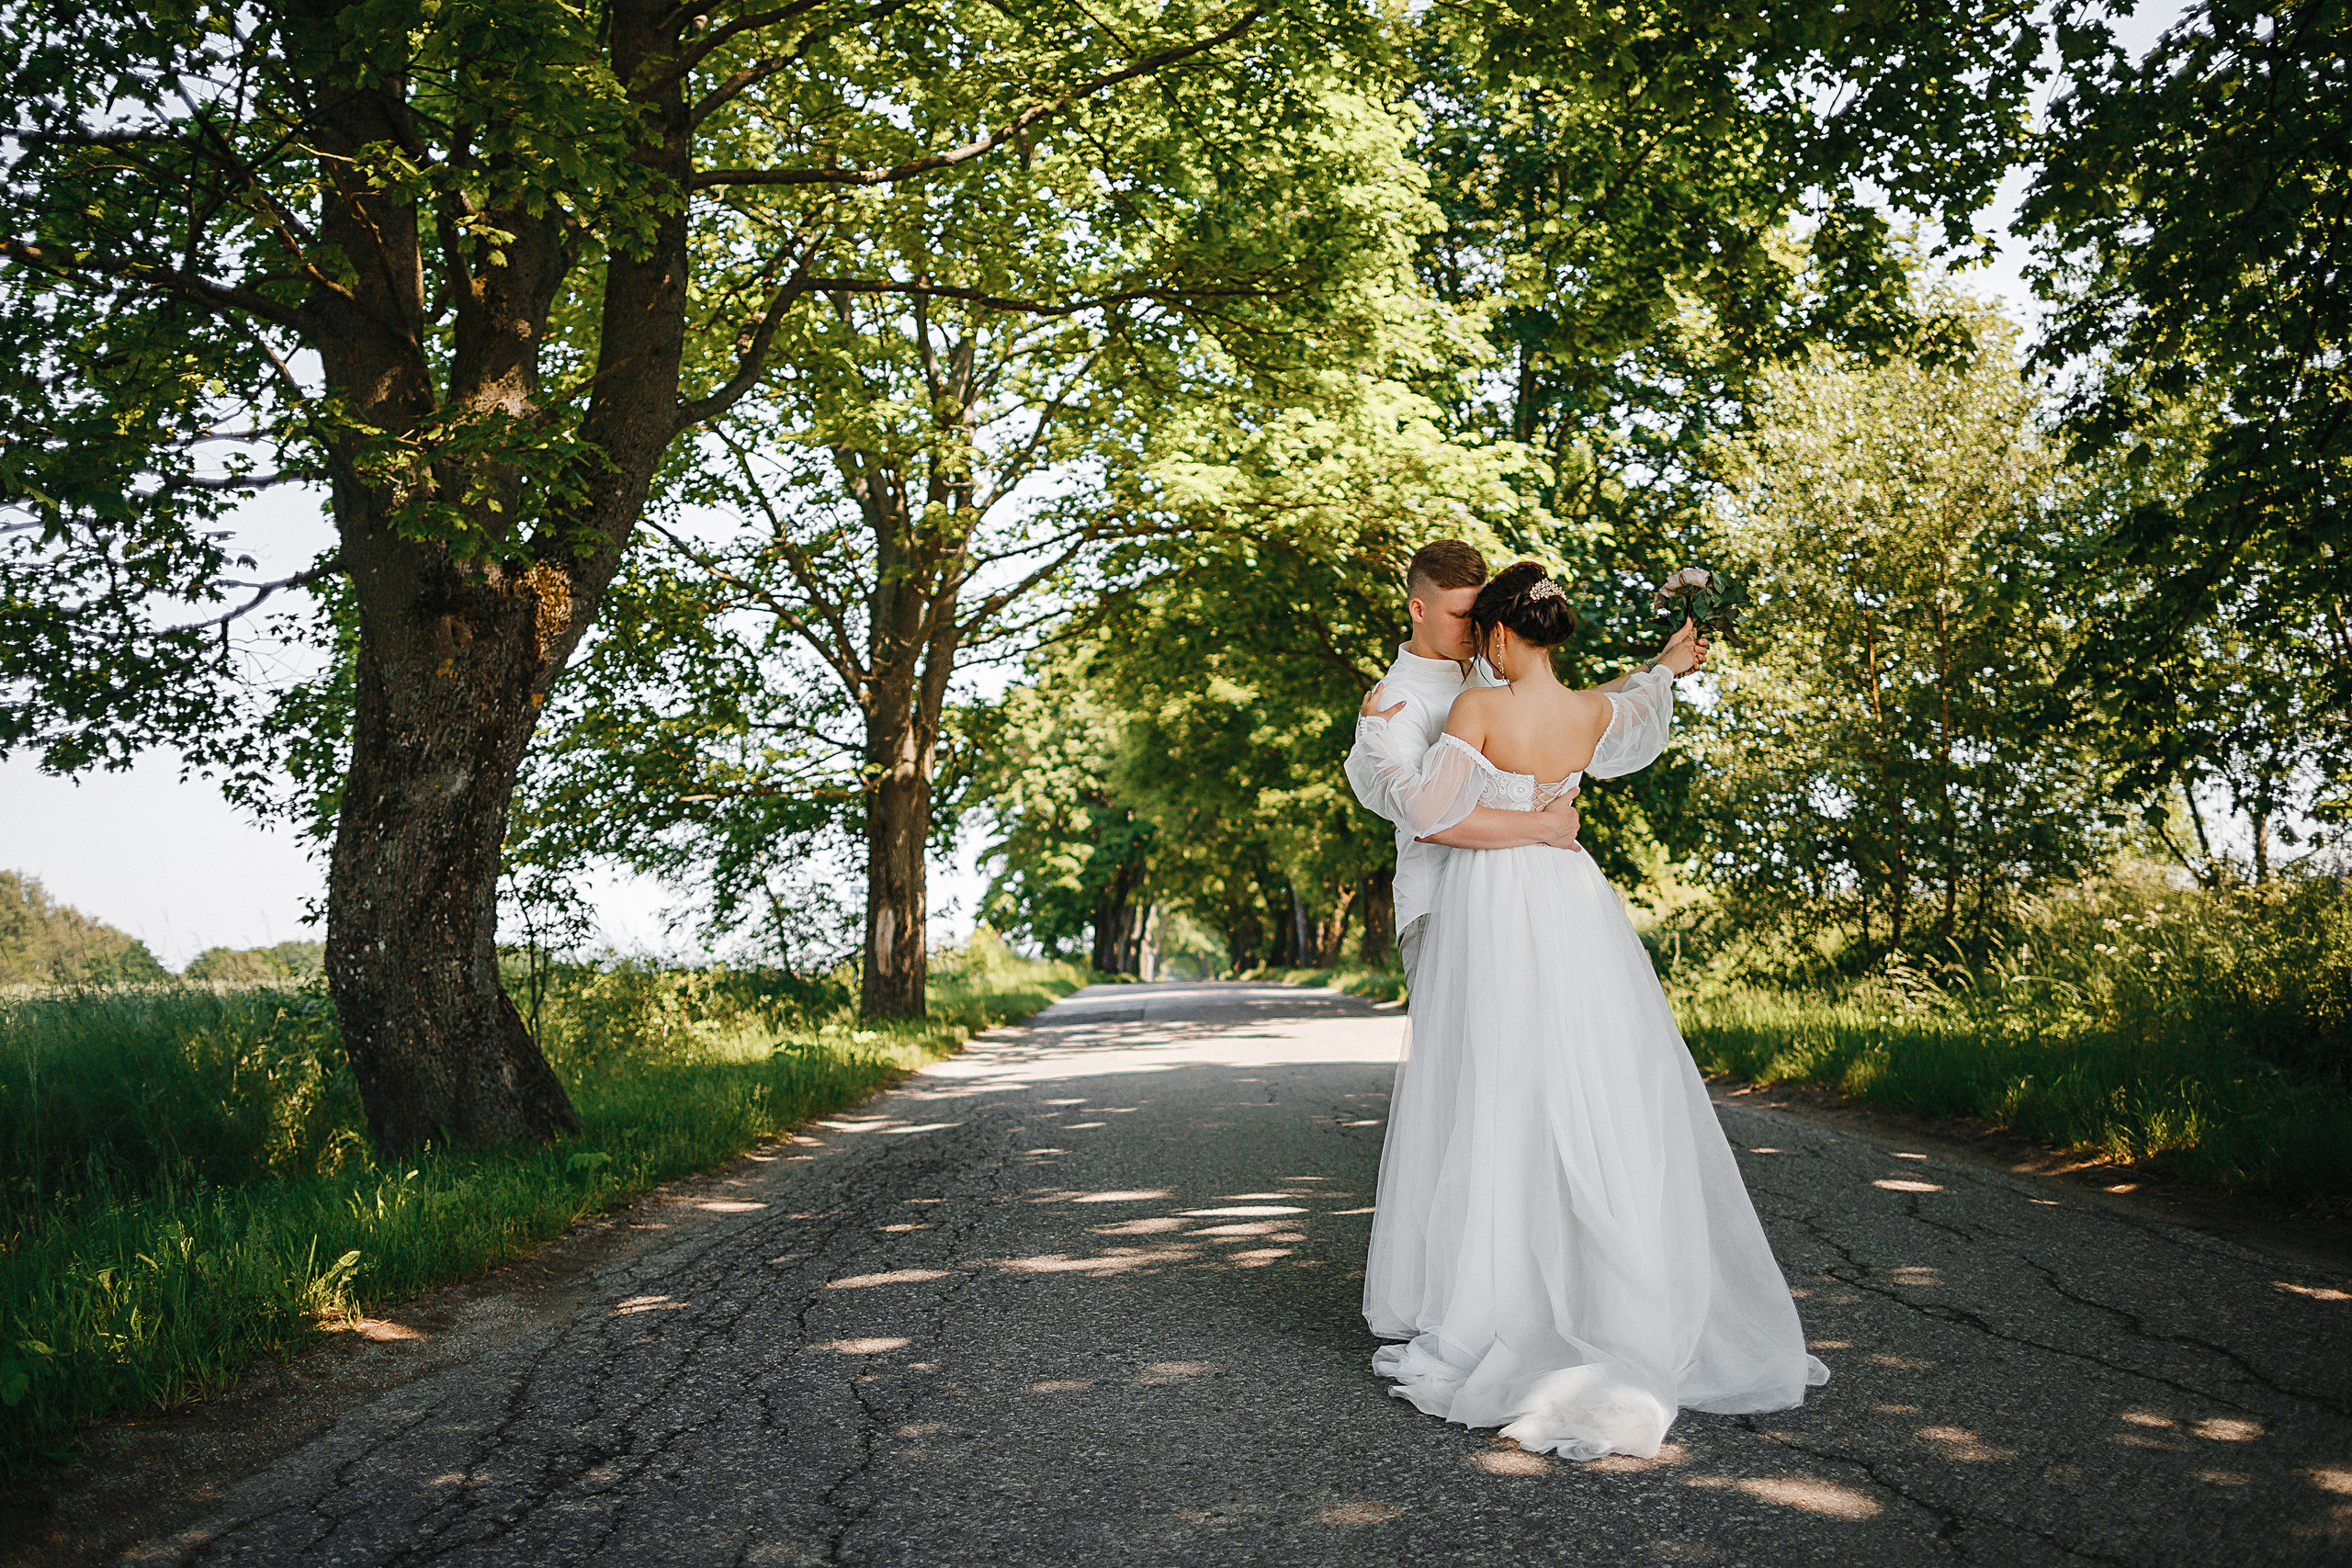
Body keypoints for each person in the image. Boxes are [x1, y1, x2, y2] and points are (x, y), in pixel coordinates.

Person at [1349, 559, 1830, 1461]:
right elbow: (1628, 705)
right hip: (1573, 903)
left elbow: (1430, 815)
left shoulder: (1476, 710)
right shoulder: (1584, 714)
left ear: (1495, 633)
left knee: (1501, 1083)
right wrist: (1660, 669)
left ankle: (1506, 1290)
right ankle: (1601, 1280)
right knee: (1584, 1079)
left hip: (1495, 905)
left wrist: (1480, 800)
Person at [1341, 541, 1586, 992]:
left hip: (1516, 897)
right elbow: (1429, 824)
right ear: (1418, 609)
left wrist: (1659, 669)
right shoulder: (1396, 702)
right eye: (1459, 616)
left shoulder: (1490, 671)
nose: (1474, 628)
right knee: (1457, 1060)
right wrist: (1546, 828)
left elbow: (1572, 708)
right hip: (1437, 904)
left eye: (1479, 614)